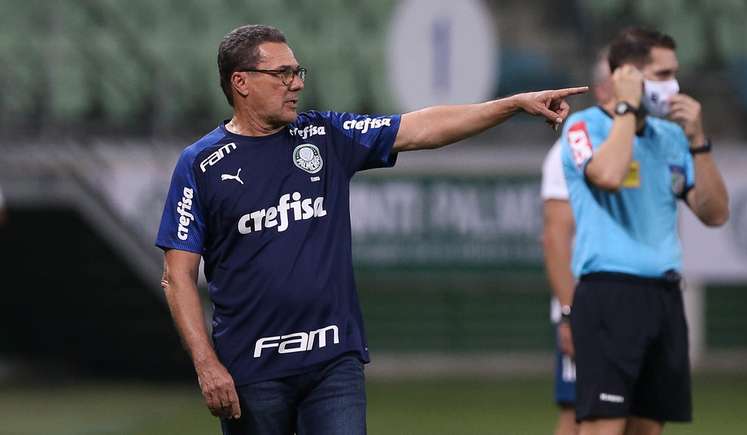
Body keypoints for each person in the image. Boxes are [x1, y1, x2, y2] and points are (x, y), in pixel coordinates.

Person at [156, 24, 587, 435]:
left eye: (297, 71)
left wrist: (512, 104)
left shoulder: (325, 135)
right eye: (283, 73)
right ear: (241, 82)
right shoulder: (201, 165)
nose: (297, 83)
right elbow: (178, 277)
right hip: (252, 370)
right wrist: (206, 365)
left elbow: (422, 127)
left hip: (333, 361)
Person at [560, 27, 729, 435]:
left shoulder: (671, 137)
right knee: (604, 426)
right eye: (661, 74)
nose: (672, 85)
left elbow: (715, 212)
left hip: (665, 296)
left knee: (647, 429)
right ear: (626, 77)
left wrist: (698, 141)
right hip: (609, 294)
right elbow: (609, 175)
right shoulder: (582, 127)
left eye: (674, 74)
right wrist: (626, 110)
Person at [541, 49, 613, 435]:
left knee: (636, 412)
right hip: (587, 305)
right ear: (603, 89)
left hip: (630, 302)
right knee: (579, 411)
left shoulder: (644, 143)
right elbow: (555, 237)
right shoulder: (568, 149)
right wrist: (569, 313)